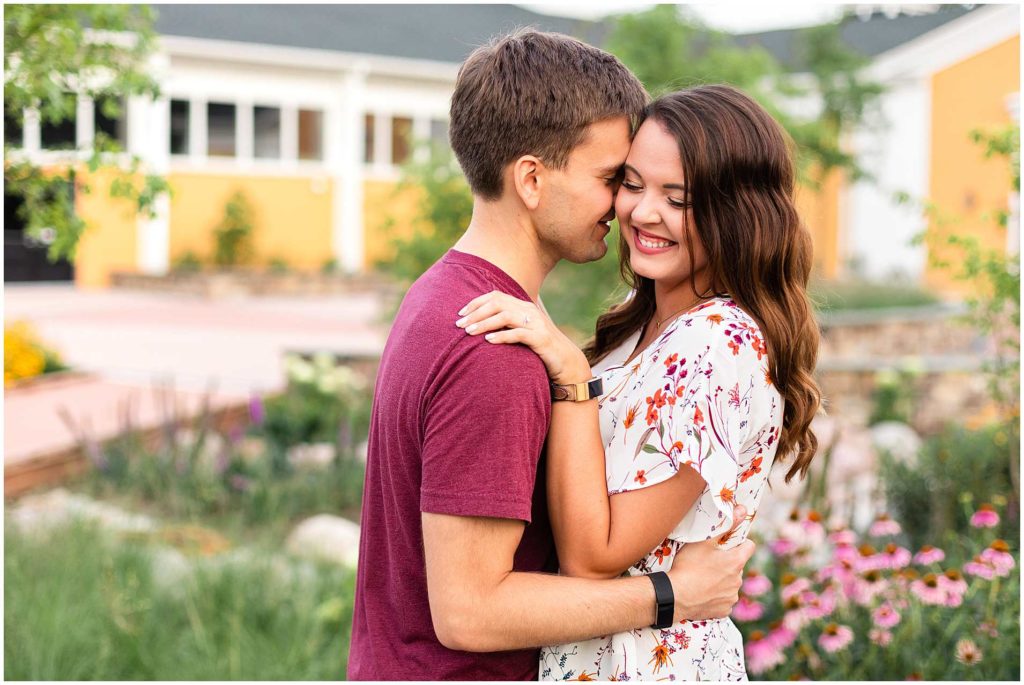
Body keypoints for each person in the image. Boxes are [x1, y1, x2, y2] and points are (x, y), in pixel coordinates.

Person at [347, 31, 756, 681]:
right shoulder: (495, 351)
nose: (624, 208)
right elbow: (470, 612)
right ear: (533, 179)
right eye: (612, 179)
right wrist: (673, 595)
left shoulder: (442, 294)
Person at [455, 85, 822, 680]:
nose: (642, 212)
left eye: (678, 198)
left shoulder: (716, 344)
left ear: (739, 212)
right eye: (631, 183)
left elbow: (593, 557)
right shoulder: (646, 319)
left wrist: (573, 378)